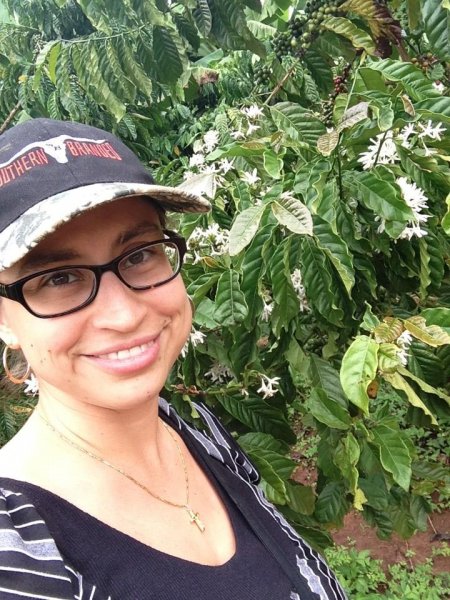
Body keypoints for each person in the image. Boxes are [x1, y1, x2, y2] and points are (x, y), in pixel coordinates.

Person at [0, 118, 346, 600]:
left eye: (140, 254)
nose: (122, 314)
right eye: (59, 278)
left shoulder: (199, 433)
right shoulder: (17, 554)